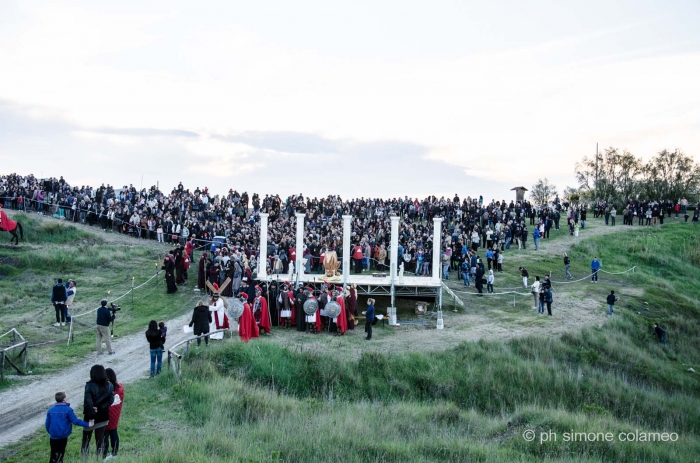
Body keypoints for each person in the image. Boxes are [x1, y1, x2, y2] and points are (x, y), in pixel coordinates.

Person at [45, 391, 94, 463]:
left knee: (53, 453)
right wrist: (88, 424)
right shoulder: (68, 409)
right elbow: (75, 421)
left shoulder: (50, 410)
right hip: (63, 436)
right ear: (64, 399)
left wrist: (50, 432)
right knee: (61, 453)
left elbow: (47, 423)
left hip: (53, 436)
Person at [81, 365, 114, 458]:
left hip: (90, 416)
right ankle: (99, 459)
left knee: (86, 441)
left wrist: (93, 410)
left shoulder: (89, 386)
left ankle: (85, 460)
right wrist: (101, 407)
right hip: (103, 416)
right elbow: (111, 399)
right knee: (100, 440)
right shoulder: (109, 385)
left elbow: (88, 402)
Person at [103, 368, 123, 460]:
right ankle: (115, 454)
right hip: (115, 415)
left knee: (105, 435)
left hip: (106, 415)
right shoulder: (120, 388)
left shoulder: (105, 389)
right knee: (114, 433)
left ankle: (104, 456)